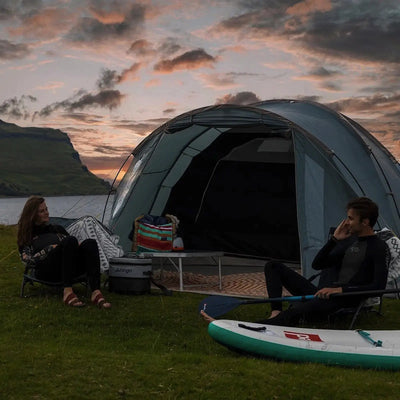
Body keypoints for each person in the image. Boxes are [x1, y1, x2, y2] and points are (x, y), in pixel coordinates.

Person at [261, 197, 389, 326]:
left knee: (291, 315)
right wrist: (334, 240)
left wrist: (340, 290)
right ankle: (275, 312)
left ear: (365, 222)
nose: (346, 222)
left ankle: (261, 328)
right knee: (273, 266)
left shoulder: (378, 247)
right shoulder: (350, 241)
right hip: (324, 294)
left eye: (351, 218)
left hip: (342, 299)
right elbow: (317, 265)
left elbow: (378, 288)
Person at [17, 196, 111, 308]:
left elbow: (71, 247)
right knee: (70, 240)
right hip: (47, 271)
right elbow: (27, 259)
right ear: (33, 215)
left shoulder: (56, 229)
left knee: (90, 243)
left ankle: (95, 291)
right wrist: (50, 249)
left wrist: (77, 246)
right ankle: (67, 291)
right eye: (42, 211)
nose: (47, 213)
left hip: (68, 269)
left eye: (46, 209)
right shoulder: (28, 235)